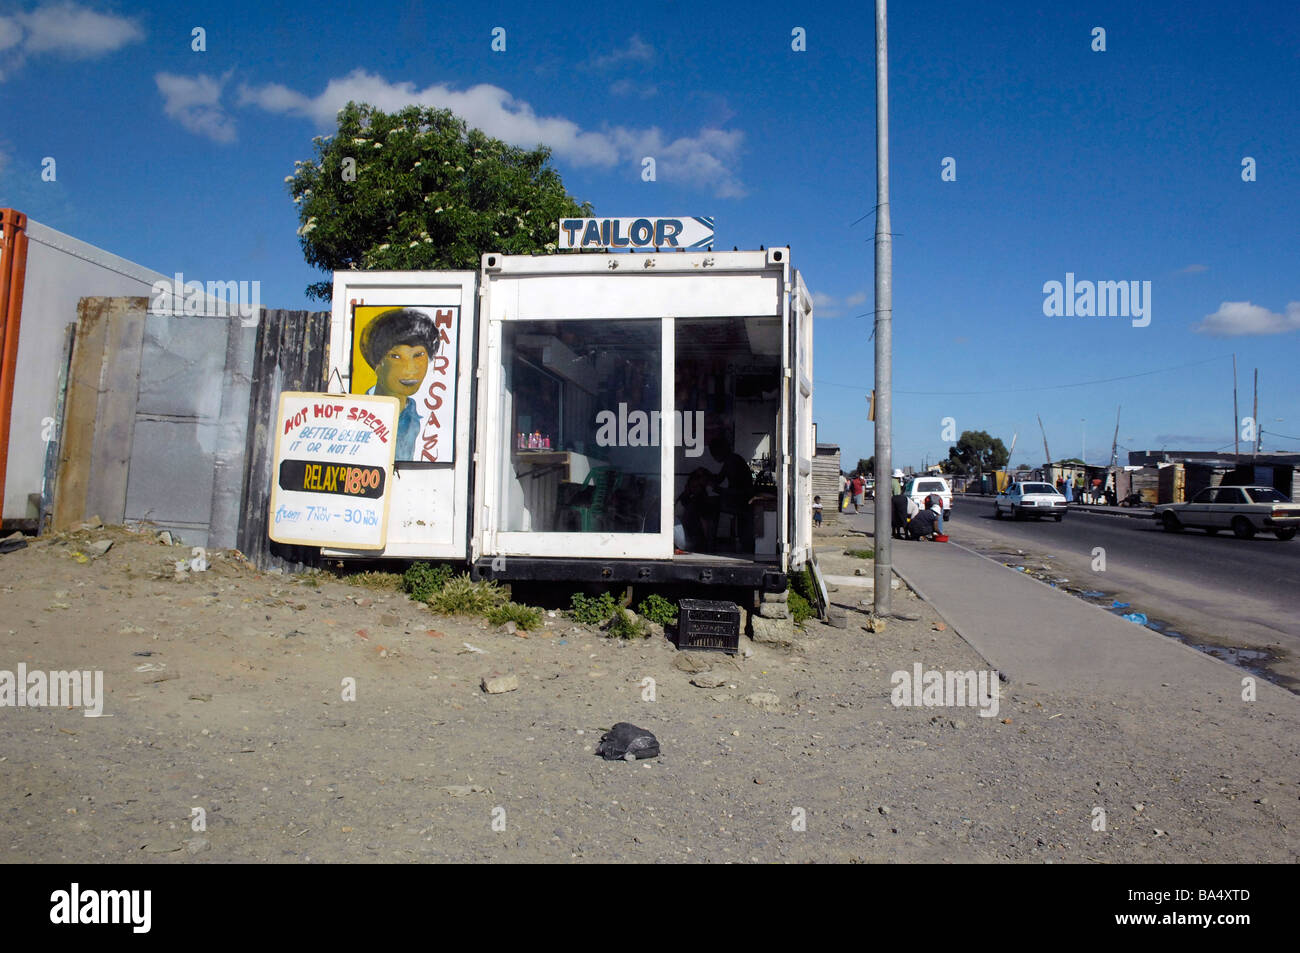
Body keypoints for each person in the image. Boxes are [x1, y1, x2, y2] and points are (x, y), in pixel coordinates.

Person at [358, 308, 441, 461]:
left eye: (418, 355)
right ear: (377, 364)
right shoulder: (359, 414)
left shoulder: (419, 419)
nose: (410, 369)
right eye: (396, 356)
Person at [707, 437, 755, 551]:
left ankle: (710, 544)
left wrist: (716, 488)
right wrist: (707, 475)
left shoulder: (732, 462)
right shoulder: (732, 459)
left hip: (742, 502)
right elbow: (719, 478)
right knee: (711, 503)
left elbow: (737, 492)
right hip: (739, 499)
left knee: (711, 505)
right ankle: (710, 543)